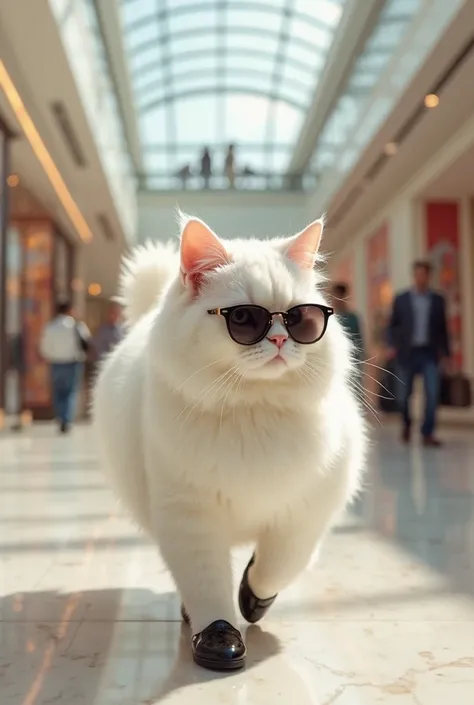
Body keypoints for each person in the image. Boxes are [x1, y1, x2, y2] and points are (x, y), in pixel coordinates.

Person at [387, 260, 450, 446]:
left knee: (432, 394)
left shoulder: (438, 300)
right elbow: (393, 326)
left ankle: (427, 433)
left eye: (424, 274)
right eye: (418, 274)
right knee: (404, 396)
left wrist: (446, 354)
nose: (421, 278)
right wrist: (392, 345)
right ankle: (407, 424)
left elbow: (443, 329)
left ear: (429, 277)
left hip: (429, 353)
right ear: (414, 276)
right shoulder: (402, 299)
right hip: (407, 353)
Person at [40, 301, 91, 433]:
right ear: (69, 310)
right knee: (70, 392)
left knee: (58, 393)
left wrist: (51, 356)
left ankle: (60, 417)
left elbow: (44, 347)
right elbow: (87, 343)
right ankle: (66, 419)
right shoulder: (77, 326)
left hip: (56, 363)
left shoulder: (50, 327)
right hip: (72, 363)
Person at [331, 283, 365, 373]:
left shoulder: (353, 319)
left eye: (338, 296)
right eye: (334, 297)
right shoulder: (331, 319)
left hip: (352, 362)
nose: (336, 300)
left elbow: (359, 342)